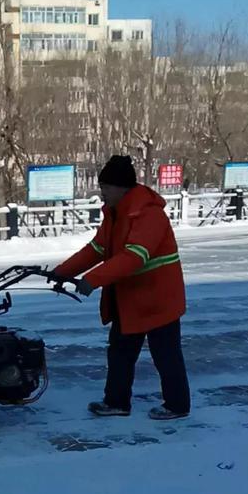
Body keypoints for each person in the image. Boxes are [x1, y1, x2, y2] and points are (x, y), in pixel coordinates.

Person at [51, 154, 190, 421]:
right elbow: (97, 248)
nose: (101, 193)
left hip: (159, 299)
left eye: (105, 188)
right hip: (130, 299)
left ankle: (177, 405)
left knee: (166, 355)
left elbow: (134, 257)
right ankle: (116, 402)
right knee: (119, 353)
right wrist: (62, 271)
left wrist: (93, 279)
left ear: (121, 188)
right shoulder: (115, 215)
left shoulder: (148, 215)